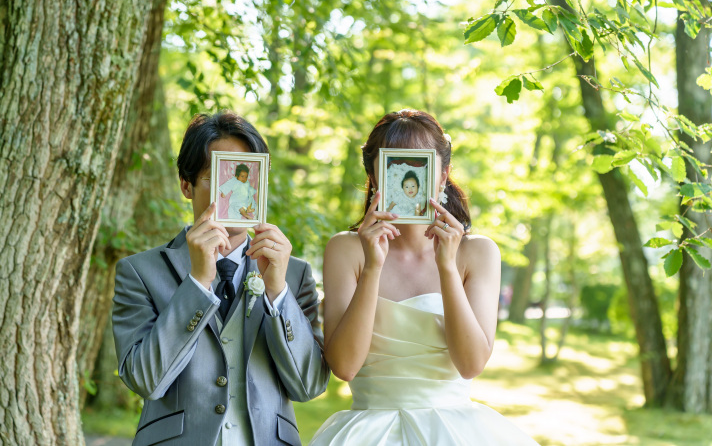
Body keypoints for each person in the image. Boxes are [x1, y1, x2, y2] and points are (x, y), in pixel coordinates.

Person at [310, 109, 539, 445]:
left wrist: (446, 267)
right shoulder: (347, 250)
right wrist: (373, 266)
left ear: (442, 175)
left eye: (419, 163)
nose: (406, 176)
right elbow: (344, 367)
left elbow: (471, 364)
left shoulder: (477, 253)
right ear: (374, 176)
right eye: (394, 164)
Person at [112, 111, 329, 446]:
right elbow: (146, 380)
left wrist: (277, 293)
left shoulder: (294, 273)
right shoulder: (139, 272)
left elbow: (309, 385)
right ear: (186, 185)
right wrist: (197, 284)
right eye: (218, 178)